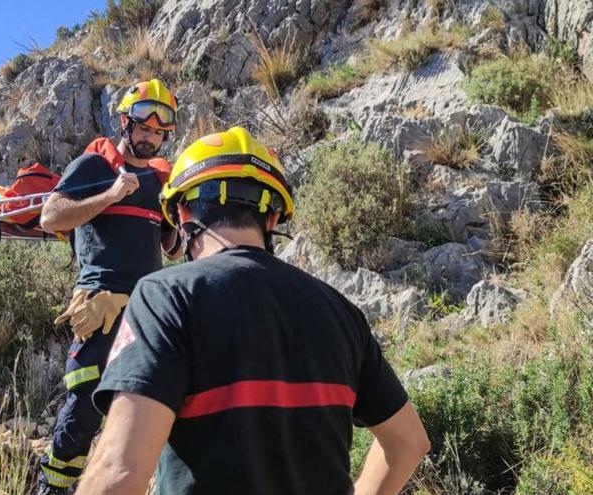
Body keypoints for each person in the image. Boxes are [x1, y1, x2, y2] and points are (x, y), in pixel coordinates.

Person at [77, 127, 430, 495]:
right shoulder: (341, 311)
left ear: (182, 214)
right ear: (273, 219)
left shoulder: (166, 295)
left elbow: (119, 473)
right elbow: (408, 443)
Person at [35, 78, 181, 494]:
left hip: (148, 309)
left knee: (148, 408)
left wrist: (176, 227)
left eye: (158, 132)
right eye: (143, 127)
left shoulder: (159, 181)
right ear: (125, 123)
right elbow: (52, 217)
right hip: (100, 304)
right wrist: (112, 195)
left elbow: (169, 248)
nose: (150, 137)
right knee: (84, 406)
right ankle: (52, 487)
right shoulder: (95, 166)